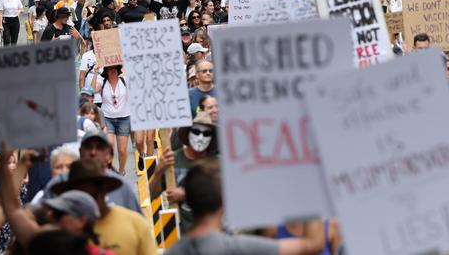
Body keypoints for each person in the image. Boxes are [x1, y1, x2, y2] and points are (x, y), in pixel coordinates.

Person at [165, 161, 326, 255]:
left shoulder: (172, 251)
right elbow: (313, 244)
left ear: (188, 201)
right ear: (223, 203)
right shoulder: (237, 248)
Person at [52, 159, 156, 255]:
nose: (85, 203)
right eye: (77, 198)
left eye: (90, 196)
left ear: (103, 191)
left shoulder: (135, 223)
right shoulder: (61, 233)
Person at [92, 65, 131, 176]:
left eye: (115, 68)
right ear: (106, 71)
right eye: (110, 68)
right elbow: (93, 90)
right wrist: (95, 72)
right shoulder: (102, 82)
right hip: (107, 119)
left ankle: (121, 170)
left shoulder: (124, 80)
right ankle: (111, 172)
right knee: (109, 147)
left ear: (118, 70)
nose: (112, 70)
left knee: (122, 150)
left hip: (124, 118)